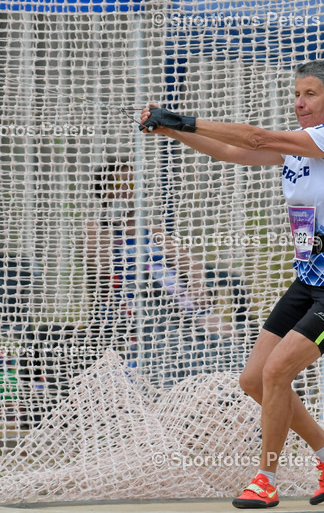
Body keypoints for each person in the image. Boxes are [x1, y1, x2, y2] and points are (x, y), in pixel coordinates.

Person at [139, 59, 324, 509]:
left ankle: (265, 478)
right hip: (310, 276)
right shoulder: (298, 150)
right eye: (296, 94)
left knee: (276, 372)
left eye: (309, 95)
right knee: (254, 379)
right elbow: (231, 152)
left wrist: (183, 117)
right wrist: (168, 130)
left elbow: (254, 136)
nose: (299, 103)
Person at [82, 159, 236, 380]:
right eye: (119, 185)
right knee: (168, 339)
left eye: (132, 185)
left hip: (174, 297)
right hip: (127, 301)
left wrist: (197, 285)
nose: (126, 191)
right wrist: (112, 222)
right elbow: (101, 264)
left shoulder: (151, 228)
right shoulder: (96, 229)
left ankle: (222, 384)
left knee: (226, 332)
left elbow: (188, 260)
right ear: (105, 190)